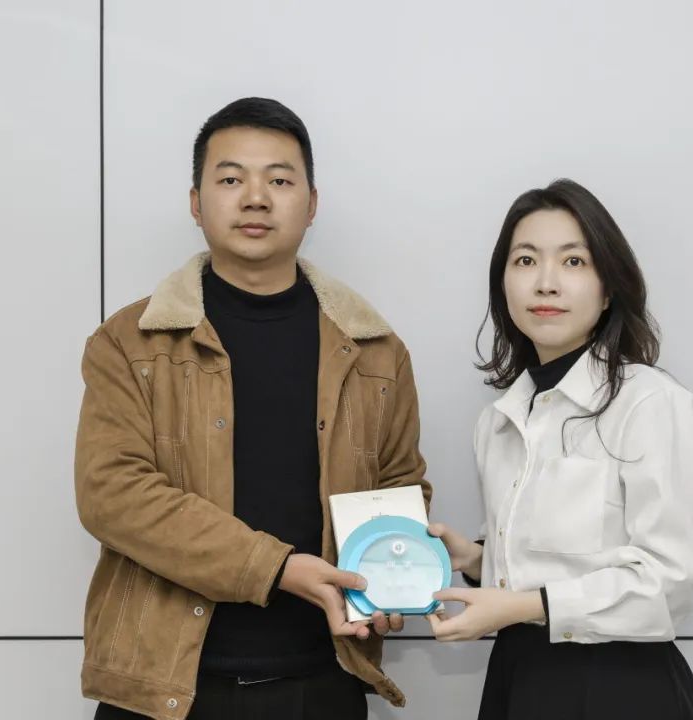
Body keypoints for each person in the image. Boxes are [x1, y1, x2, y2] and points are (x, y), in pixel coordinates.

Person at [74, 97, 430, 719]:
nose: (257, 198)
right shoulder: (131, 343)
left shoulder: (375, 351)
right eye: (232, 179)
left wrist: (394, 578)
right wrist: (277, 568)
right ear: (196, 202)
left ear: (311, 204)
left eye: (280, 181)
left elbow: (400, 488)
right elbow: (112, 493)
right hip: (164, 691)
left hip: (322, 682)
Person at [428, 178, 693, 719]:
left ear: (608, 290)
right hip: (518, 676)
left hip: (619, 686)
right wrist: (475, 559)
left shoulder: (650, 402)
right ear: (503, 286)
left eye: (574, 262)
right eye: (526, 261)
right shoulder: (499, 420)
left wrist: (523, 605)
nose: (546, 283)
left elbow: (670, 583)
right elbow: (551, 562)